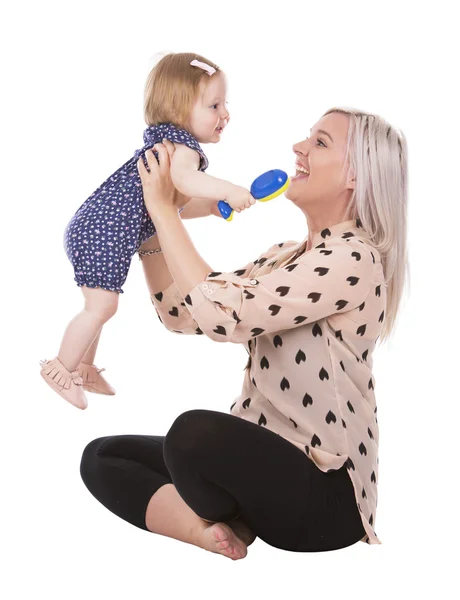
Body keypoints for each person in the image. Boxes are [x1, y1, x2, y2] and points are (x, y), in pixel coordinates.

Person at [80, 108, 409, 560]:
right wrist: (152, 227)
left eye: (320, 142)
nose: (299, 148)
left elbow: (220, 314)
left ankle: (218, 511)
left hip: (326, 497)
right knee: (102, 457)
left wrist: (162, 208)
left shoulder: (355, 258)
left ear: (356, 175)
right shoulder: (282, 257)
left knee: (192, 436)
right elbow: (184, 311)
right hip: (259, 468)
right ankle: (208, 532)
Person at [39, 52, 255, 410]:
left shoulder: (168, 145)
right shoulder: (181, 149)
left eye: (225, 103)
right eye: (214, 105)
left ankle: (84, 367)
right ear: (179, 108)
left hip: (97, 228)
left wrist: (214, 207)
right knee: (102, 305)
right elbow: (187, 181)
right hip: (101, 232)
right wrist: (228, 190)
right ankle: (60, 368)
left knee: (102, 303)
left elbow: (173, 204)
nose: (225, 114)